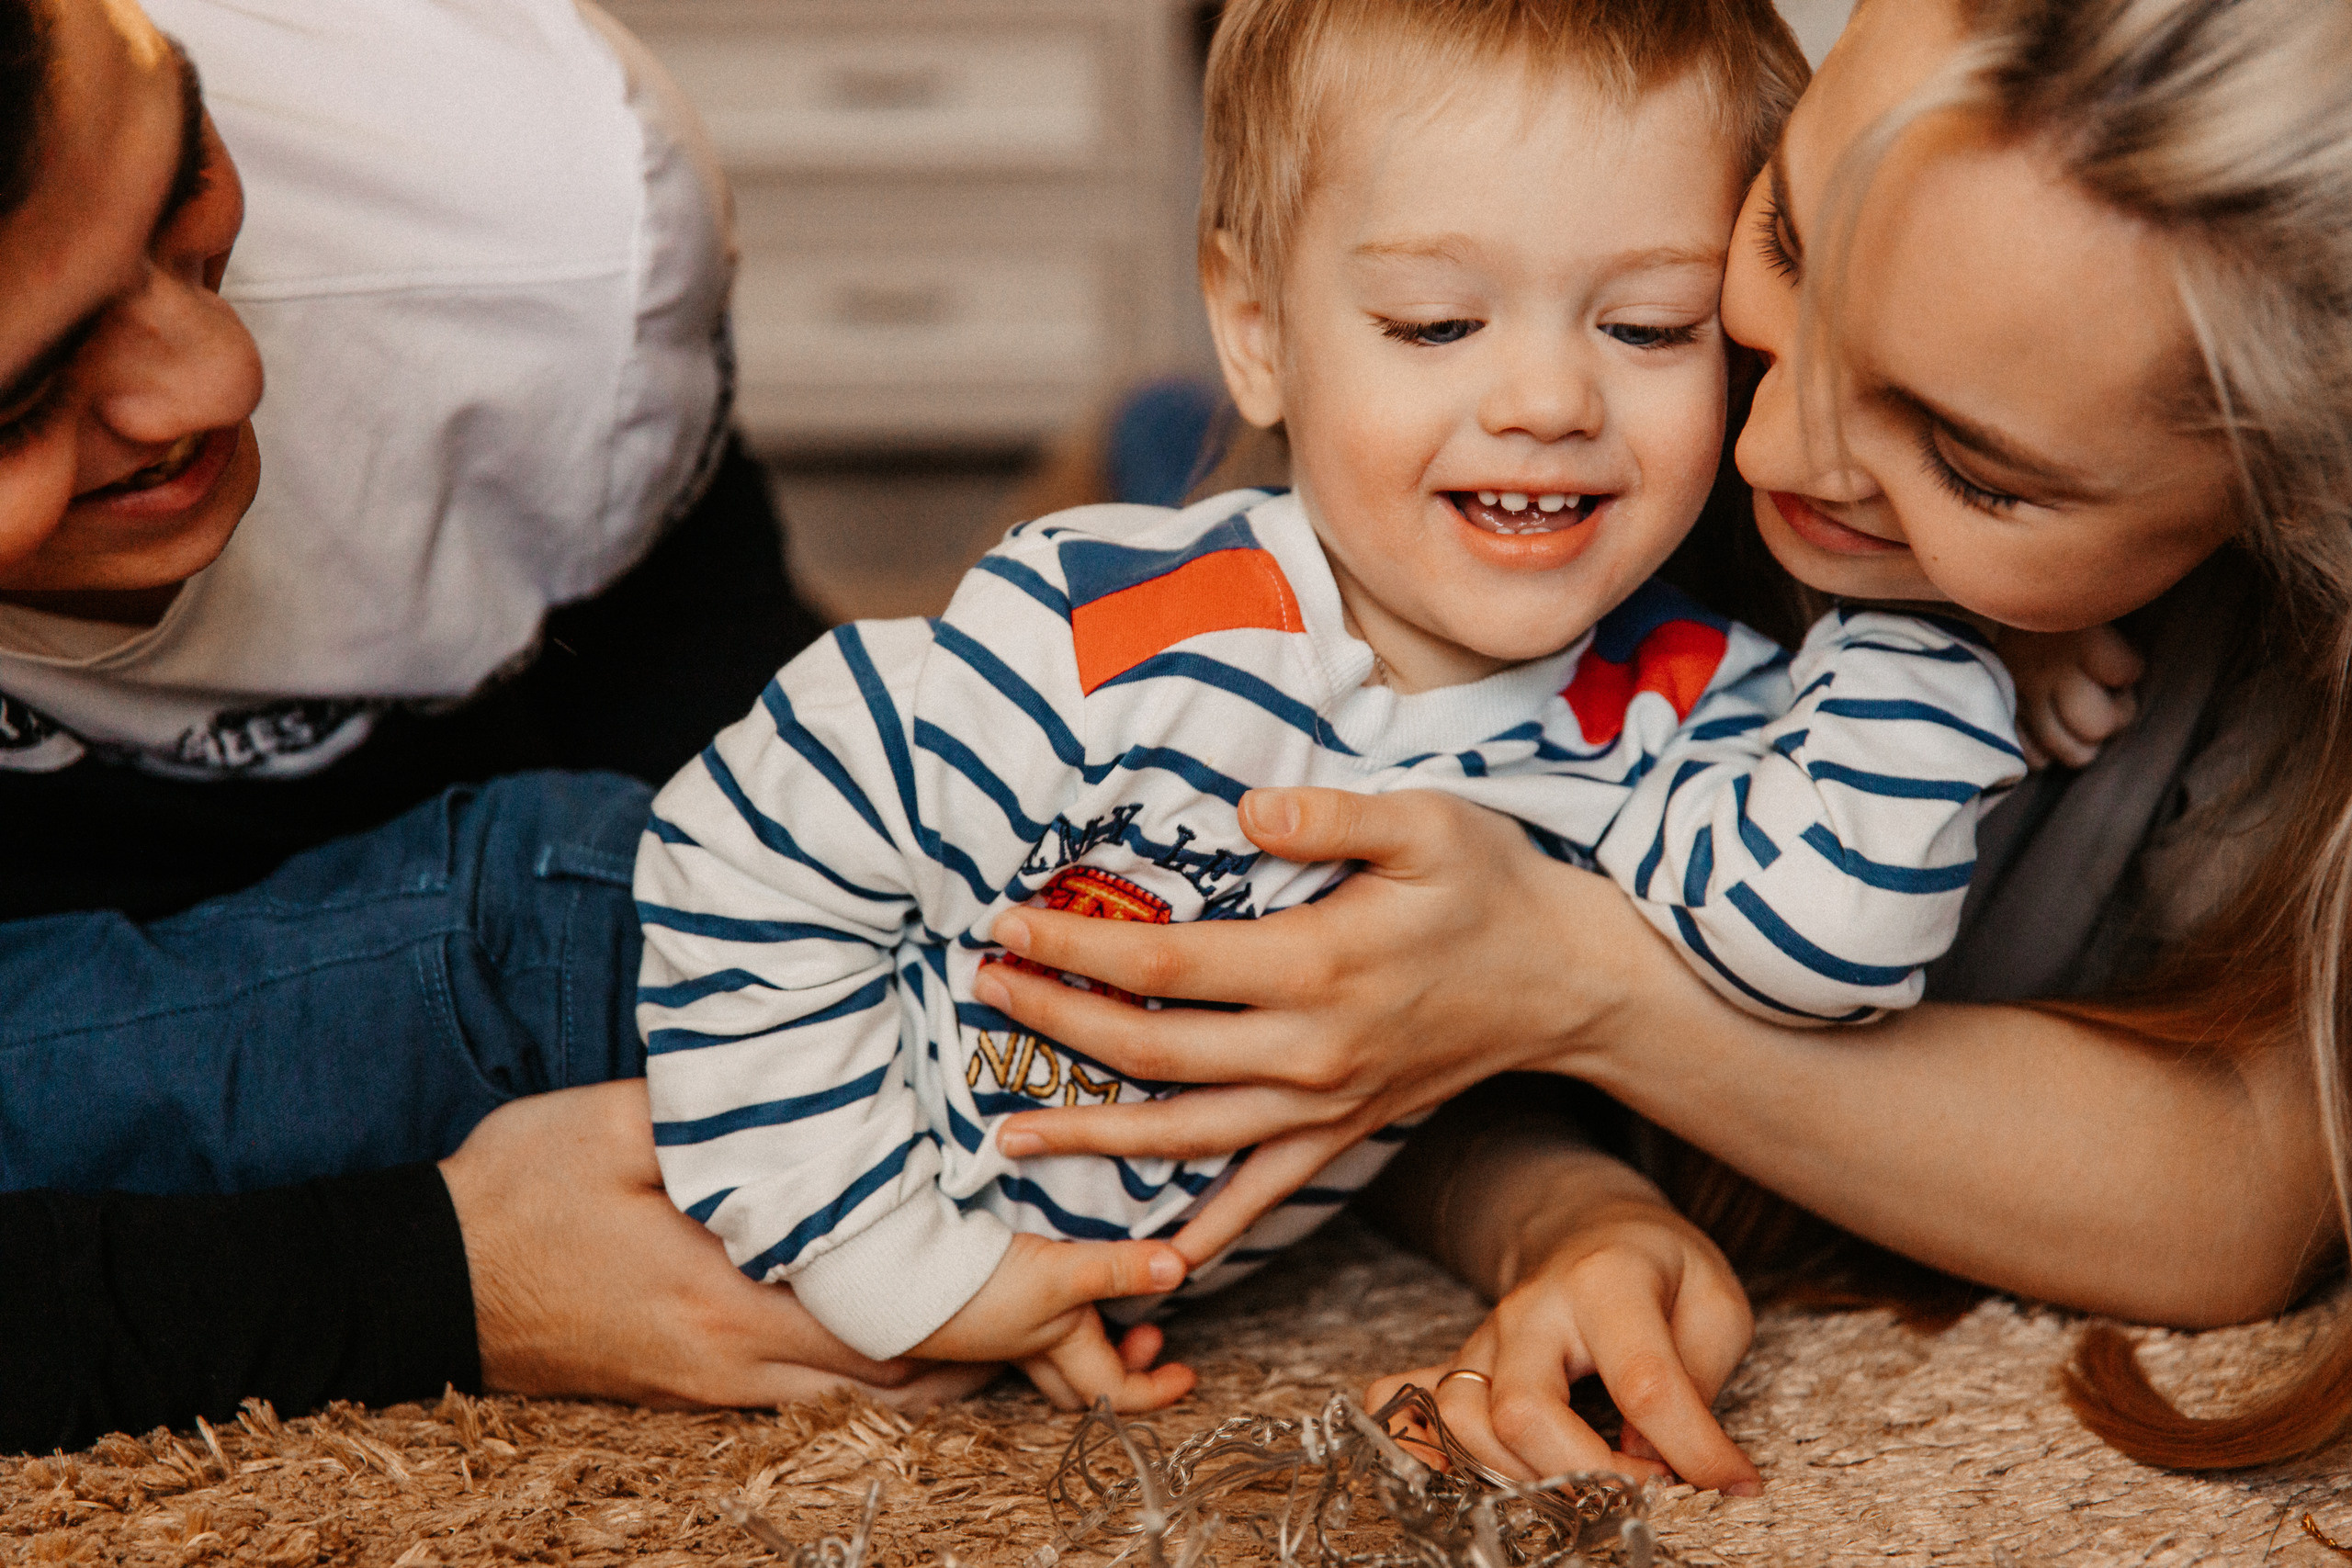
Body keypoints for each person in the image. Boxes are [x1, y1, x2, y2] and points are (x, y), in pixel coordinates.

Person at [630, 0, 2098, 1423]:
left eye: (1649, 329)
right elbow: (738, 848)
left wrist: (1932, 621)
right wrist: (900, 1265)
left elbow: (1823, 945)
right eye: (1437, 321)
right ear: (1258, 331)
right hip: (561, 963)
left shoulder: (1677, 712)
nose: (1545, 397)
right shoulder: (1112, 632)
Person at [971, 0, 2352, 1490]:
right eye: (1784, 252)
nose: (1768, 451)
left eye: (1973, 464)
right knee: (1179, 470)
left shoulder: (2270, 670)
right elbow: (1374, 1025)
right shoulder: (1551, 428)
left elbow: (2238, 1202)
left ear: (2288, 503)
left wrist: (1574, 980)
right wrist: (1562, 1207)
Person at [0, 0, 979, 1453]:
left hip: (499, 800)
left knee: (627, 926)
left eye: (181, 175)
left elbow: (751, 825)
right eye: (20, 403)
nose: (220, 377)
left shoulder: (538, 217)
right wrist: (442, 1275)